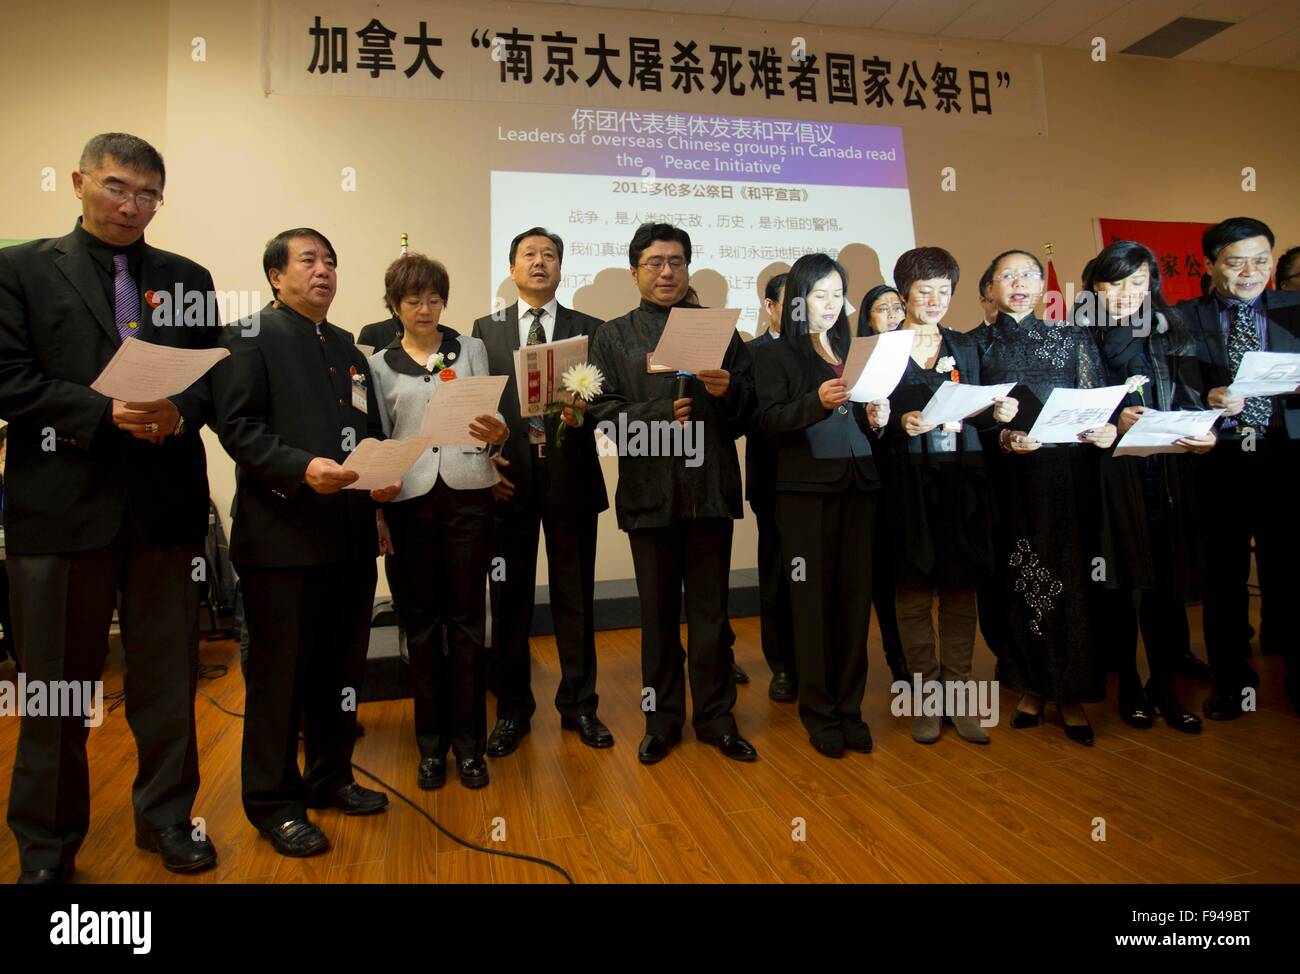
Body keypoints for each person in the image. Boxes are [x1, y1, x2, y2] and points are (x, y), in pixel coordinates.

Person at [0, 133, 219, 882]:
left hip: (164, 509)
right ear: (79, 182)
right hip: (59, 513)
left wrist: (179, 411)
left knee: (166, 683)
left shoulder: (186, 276)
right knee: (57, 690)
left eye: (148, 194)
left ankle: (168, 820)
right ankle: (47, 848)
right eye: (117, 187)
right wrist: (104, 412)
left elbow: (213, 380)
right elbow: (8, 379)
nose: (132, 206)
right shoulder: (20, 268)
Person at [213, 228, 396, 857]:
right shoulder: (248, 337)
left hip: (347, 536)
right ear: (274, 275)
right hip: (281, 538)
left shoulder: (348, 347)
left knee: (340, 670)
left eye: (331, 262)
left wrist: (380, 479)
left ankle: (330, 776)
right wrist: (300, 468)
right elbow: (236, 427)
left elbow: (368, 428)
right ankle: (273, 803)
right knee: (279, 679)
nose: (323, 271)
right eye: (308, 261)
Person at [588, 223, 758, 765]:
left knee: (711, 614)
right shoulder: (612, 336)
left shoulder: (719, 331)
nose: (668, 272)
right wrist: (658, 413)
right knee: (658, 615)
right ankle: (661, 720)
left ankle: (716, 718)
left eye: (678, 262)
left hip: (708, 487)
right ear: (635, 270)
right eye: (656, 263)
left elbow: (747, 413)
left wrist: (727, 390)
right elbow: (603, 414)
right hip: (649, 494)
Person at [470, 228, 612, 756]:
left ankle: (580, 706)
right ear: (511, 269)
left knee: (575, 598)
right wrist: (489, 466)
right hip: (511, 482)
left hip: (571, 477)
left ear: (560, 268)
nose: (539, 262)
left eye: (549, 255)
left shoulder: (588, 330)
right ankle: (511, 710)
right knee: (509, 601)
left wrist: (585, 411)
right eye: (529, 255)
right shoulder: (484, 333)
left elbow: (605, 399)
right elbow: (476, 408)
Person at [370, 254, 509, 788]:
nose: (425, 309)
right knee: (421, 627)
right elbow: (381, 441)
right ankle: (430, 746)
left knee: (469, 623)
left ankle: (470, 745)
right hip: (408, 501)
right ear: (395, 306)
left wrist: (496, 432)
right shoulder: (379, 364)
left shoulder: (470, 348)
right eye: (413, 300)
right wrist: (378, 511)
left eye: (434, 298)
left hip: (470, 495)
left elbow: (493, 428)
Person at [977, 249, 1115, 746]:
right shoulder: (976, 345)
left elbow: (1097, 400)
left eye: (1027, 274)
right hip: (1010, 481)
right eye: (1006, 275)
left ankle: (1071, 692)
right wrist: (1004, 437)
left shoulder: (1071, 336)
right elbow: (971, 419)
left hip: (1066, 478)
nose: (1017, 282)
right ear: (990, 287)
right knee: (1020, 582)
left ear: (1042, 286)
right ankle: (1031, 686)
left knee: (1071, 582)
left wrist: (1103, 429)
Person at [753, 254, 889, 757]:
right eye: (819, 295)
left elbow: (864, 417)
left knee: (854, 603)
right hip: (804, 491)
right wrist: (818, 402)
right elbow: (767, 421)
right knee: (810, 605)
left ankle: (850, 709)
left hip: (859, 482)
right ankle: (820, 712)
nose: (831, 305)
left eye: (838, 294)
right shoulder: (772, 354)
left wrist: (877, 416)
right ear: (797, 301)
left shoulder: (853, 348)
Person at [881, 250, 1017, 745]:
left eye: (943, 291)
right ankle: (925, 698)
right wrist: (899, 424)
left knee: (961, 590)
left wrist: (996, 415)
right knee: (914, 593)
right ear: (903, 295)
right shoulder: (883, 349)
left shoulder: (965, 345)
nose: (935, 300)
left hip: (964, 482)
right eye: (924, 291)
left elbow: (977, 411)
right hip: (908, 483)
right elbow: (864, 420)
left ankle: (959, 697)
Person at [1082, 240, 1213, 734]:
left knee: (1164, 589)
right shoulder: (1083, 334)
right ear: (1094, 285)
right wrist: (1117, 417)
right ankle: (1130, 687)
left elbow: (1193, 393)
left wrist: (1206, 429)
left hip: (1168, 469)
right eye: (1113, 283)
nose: (1124, 293)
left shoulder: (1171, 327)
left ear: (1151, 283)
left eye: (1136, 282)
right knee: (1120, 587)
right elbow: (1078, 400)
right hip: (1110, 474)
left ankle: (1165, 688)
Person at [1176, 217, 1300, 717]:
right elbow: (1172, 383)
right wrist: (1204, 397)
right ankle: (1231, 679)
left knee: (1290, 571)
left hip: (1286, 456)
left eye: (1261, 261)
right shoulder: (1185, 317)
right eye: (1235, 261)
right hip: (1220, 458)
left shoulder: (1295, 309)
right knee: (1224, 576)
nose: (1250, 272)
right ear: (1210, 265)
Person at [745, 273, 798, 702]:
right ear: (770, 306)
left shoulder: (823, 349)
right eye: (792, 300)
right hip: (774, 480)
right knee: (778, 575)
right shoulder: (751, 353)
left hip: (823, 480)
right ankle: (781, 665)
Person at [856, 284, 909, 684]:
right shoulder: (858, 358)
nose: (892, 314)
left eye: (897, 307)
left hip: (918, 474)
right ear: (867, 317)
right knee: (884, 571)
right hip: (877, 477)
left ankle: (922, 658)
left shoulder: (922, 354)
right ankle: (897, 658)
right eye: (881, 308)